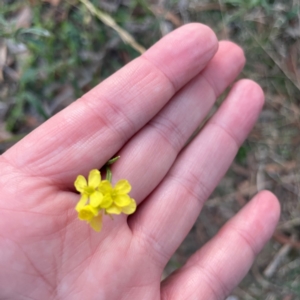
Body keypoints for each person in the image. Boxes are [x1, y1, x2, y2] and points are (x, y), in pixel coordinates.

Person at [0, 23, 280, 299]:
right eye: (92, 195)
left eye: (91, 196)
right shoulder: (96, 200)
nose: (92, 198)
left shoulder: (100, 198)